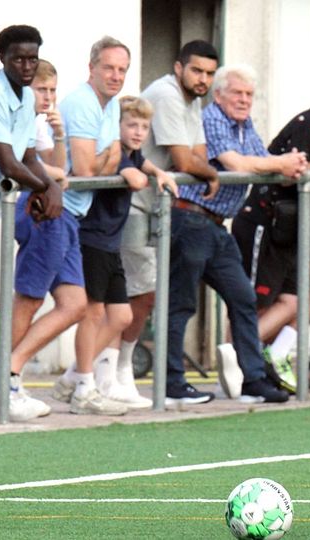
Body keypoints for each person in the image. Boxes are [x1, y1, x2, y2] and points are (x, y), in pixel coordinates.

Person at [169, 63, 304, 404]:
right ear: (219, 95)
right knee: (181, 303)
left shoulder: (246, 125)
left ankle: (253, 380)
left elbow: (263, 164)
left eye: (249, 95)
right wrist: (281, 163)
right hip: (191, 218)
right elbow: (237, 164)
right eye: (237, 93)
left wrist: (293, 165)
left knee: (243, 298)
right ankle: (171, 383)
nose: (244, 100)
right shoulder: (212, 117)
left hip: (216, 225)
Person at [231, 71, 310, 392]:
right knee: (257, 301)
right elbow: (286, 174)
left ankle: (277, 351)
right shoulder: (307, 124)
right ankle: (238, 358)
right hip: (267, 221)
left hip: (298, 226)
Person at [0, 32, 63, 418]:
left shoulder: (23, 98)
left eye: (32, 59)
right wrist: (45, 189)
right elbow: (8, 163)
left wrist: (47, 186)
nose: (26, 66)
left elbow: (28, 156)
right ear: (2, 57)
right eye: (19, 59)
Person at [118, 40, 220, 402]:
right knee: (131, 295)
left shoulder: (192, 100)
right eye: (196, 70)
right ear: (178, 68)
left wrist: (201, 167)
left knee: (139, 295)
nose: (203, 79)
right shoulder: (166, 95)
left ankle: (116, 372)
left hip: (150, 207)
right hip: (129, 205)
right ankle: (109, 373)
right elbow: (185, 159)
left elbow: (198, 155)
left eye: (209, 73)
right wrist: (211, 174)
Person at [61, 96, 177, 411]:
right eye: (131, 125)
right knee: (94, 313)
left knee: (122, 316)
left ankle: (73, 375)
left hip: (111, 244)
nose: (138, 132)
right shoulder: (116, 157)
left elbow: (143, 163)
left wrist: (159, 172)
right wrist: (142, 174)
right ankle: (83, 381)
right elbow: (134, 176)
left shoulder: (132, 153)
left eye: (144, 127)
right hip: (93, 239)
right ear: (116, 127)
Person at [39, 36, 130, 417]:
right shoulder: (81, 102)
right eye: (108, 67)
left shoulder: (109, 106)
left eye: (122, 69)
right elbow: (90, 169)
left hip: (83, 218)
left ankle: (73, 379)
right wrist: (110, 156)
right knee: (79, 308)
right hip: (64, 214)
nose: (115, 76)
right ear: (91, 68)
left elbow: (109, 159)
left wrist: (108, 157)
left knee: (114, 314)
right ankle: (76, 385)